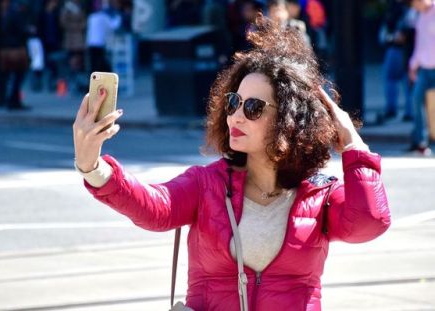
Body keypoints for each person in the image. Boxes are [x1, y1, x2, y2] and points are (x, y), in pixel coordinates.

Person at [73, 16, 391, 310]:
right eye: (233, 102)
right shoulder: (206, 183)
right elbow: (155, 207)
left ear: (288, 120)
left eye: (252, 107)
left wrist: (354, 145)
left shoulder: (318, 194)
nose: (236, 115)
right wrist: (92, 166)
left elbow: (370, 222)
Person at [408, 0, 435, 156]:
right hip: (424, 69)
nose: (414, 7)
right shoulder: (420, 16)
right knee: (416, 100)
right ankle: (422, 141)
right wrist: (413, 65)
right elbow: (420, 44)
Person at [379, 0, 413, 121]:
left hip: (397, 49)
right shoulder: (411, 8)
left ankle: (393, 109)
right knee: (407, 81)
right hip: (409, 49)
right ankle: (409, 111)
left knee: (392, 78)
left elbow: (395, 35)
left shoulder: (397, 8)